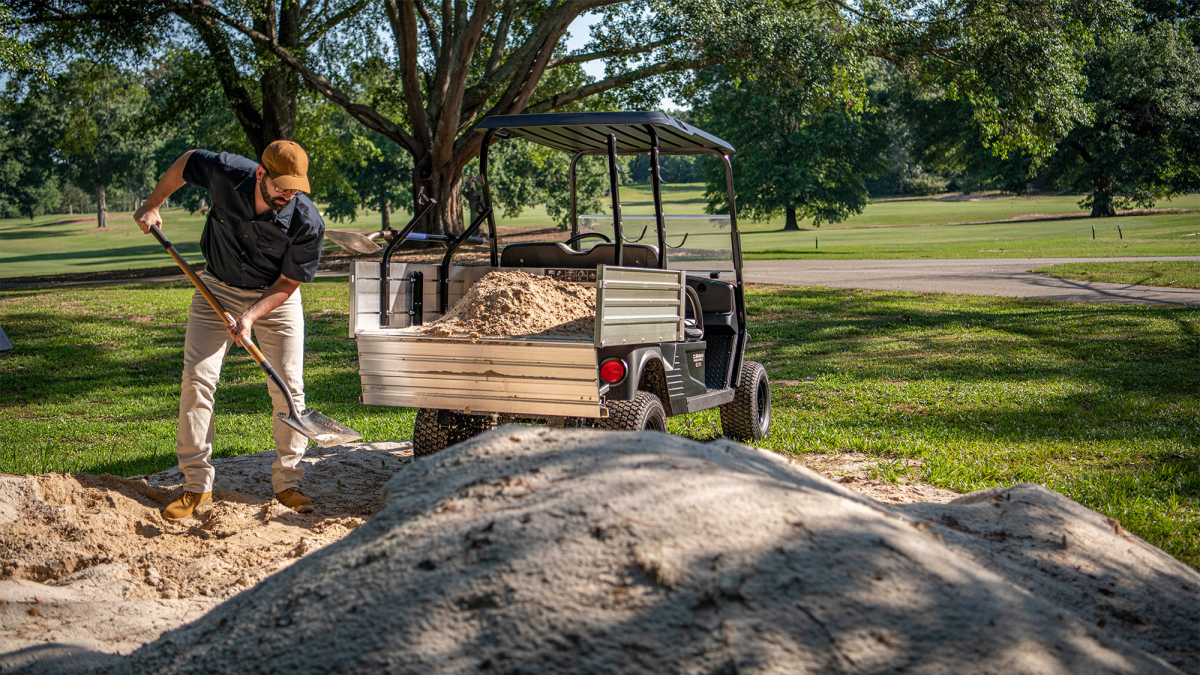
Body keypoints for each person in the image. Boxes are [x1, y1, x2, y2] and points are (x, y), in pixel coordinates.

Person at [133, 141, 325, 520]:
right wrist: (153, 203)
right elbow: (187, 162)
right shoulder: (226, 172)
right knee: (198, 380)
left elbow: (287, 284)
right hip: (215, 287)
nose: (288, 194)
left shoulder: (306, 222)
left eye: (295, 188)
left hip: (273, 298)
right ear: (260, 174)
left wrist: (251, 316)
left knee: (288, 386)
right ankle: (196, 485)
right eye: (281, 185)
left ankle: (288, 482)